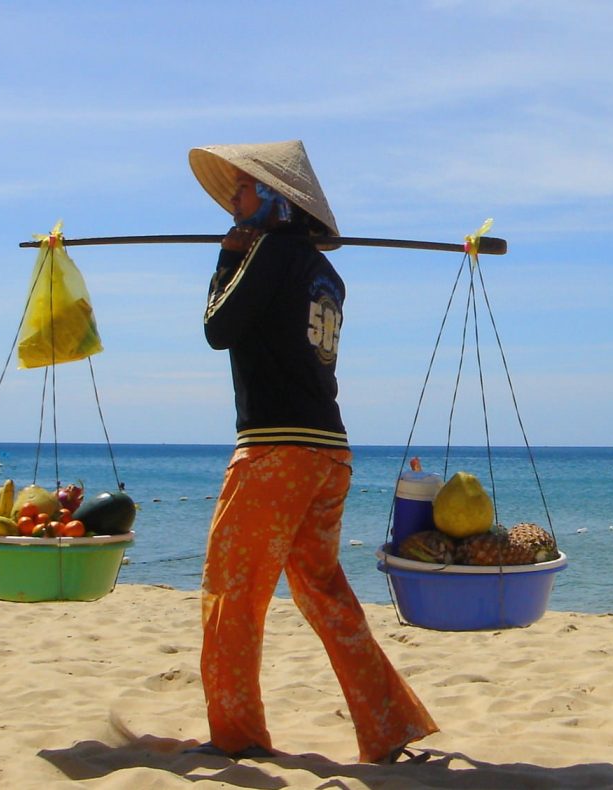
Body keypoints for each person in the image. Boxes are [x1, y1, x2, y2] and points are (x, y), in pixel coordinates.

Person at [186, 139, 437, 763]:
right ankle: (388, 725)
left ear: (273, 199)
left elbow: (219, 330)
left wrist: (225, 261)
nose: (234, 202)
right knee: (322, 590)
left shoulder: (266, 253)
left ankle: (237, 735)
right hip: (329, 452)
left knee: (231, 591)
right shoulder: (327, 273)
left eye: (242, 191)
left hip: (277, 450)